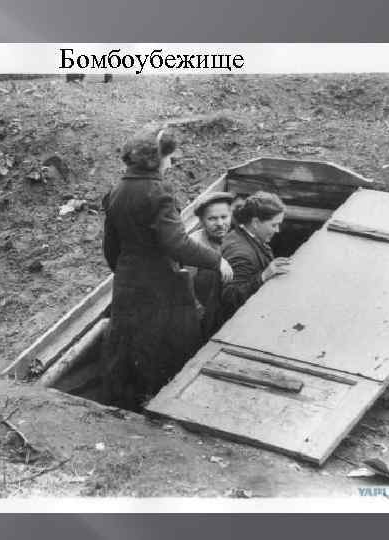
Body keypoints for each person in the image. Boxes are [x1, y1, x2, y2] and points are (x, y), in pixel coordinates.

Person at [101, 128, 234, 410]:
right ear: (156, 159)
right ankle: (162, 406)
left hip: (127, 280)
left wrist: (126, 272)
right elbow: (177, 244)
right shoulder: (159, 193)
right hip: (160, 283)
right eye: (169, 158)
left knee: (127, 344)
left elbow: (110, 247)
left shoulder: (116, 191)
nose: (171, 164)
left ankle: (123, 404)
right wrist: (216, 260)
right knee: (168, 344)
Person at [220, 191, 291, 322]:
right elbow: (230, 299)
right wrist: (263, 276)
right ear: (256, 222)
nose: (277, 230)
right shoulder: (241, 254)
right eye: (274, 225)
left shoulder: (244, 235)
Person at [187, 191, 235, 339]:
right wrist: (200, 314)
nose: (220, 223)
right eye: (212, 219)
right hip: (204, 313)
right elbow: (186, 287)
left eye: (224, 217)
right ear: (201, 221)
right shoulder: (194, 245)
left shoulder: (235, 236)